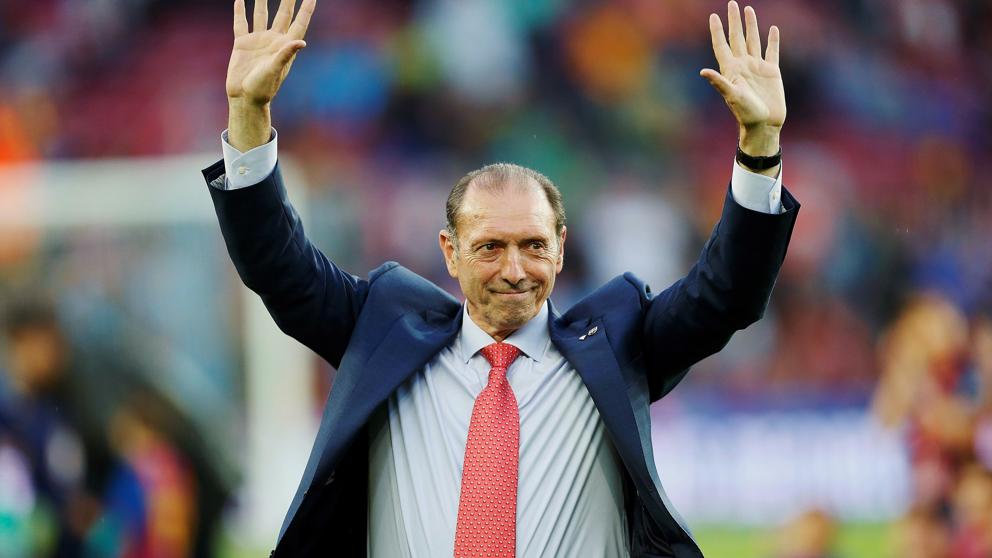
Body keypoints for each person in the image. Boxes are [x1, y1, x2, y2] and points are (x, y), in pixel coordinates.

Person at [201, 0, 799, 556]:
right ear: (450, 252)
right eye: (490, 247)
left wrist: (759, 146)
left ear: (560, 250)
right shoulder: (383, 331)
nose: (514, 270)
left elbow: (726, 295)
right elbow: (279, 267)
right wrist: (248, 116)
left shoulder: (618, 345)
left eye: (533, 246)